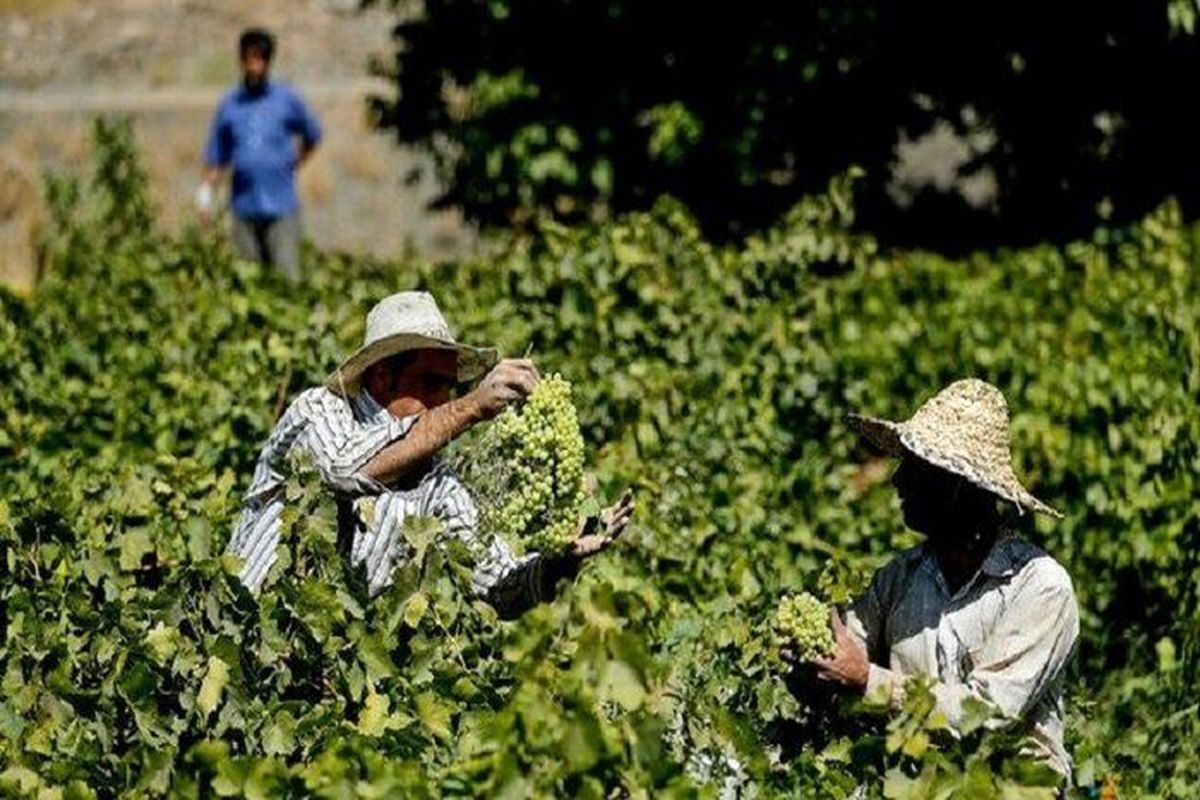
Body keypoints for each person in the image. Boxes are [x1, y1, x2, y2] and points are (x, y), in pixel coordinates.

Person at [226, 291, 636, 617]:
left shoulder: (437, 485)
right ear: (383, 375)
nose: (443, 399)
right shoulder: (319, 411)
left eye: (449, 387)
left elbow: (498, 585)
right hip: (243, 633)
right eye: (430, 383)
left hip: (324, 684)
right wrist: (472, 406)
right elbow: (345, 471)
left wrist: (560, 562)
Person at [785, 379, 1079, 780]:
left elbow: (986, 715)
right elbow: (850, 646)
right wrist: (813, 658)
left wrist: (869, 680)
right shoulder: (900, 577)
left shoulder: (1040, 588)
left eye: (916, 467)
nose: (898, 481)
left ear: (958, 485)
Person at [197, 28, 322, 282]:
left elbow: (312, 134)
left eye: (261, 58)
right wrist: (205, 197)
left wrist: (295, 162)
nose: (256, 65)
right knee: (249, 281)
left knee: (287, 277)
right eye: (251, 58)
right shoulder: (230, 105)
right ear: (241, 60)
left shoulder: (285, 99)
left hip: (280, 207)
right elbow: (216, 157)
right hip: (244, 207)